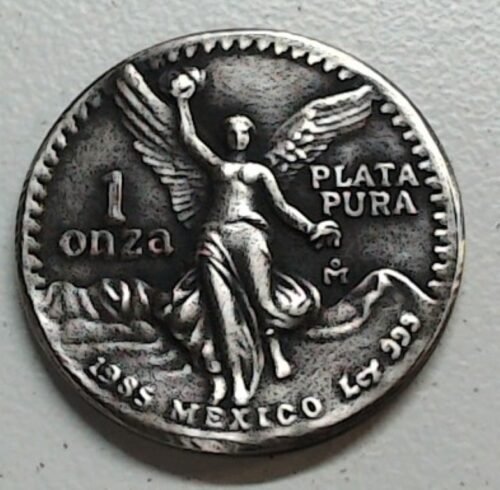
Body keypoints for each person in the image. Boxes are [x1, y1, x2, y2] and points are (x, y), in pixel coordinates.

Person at [166, 72, 341, 406]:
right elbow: (188, 139)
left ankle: (274, 351)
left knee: (263, 303)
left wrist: (311, 229)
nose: (237, 136)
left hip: (249, 237)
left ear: (250, 137)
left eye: (243, 131)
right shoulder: (217, 168)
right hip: (215, 238)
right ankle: (234, 381)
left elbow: (282, 208)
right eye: (231, 132)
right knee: (221, 312)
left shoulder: (261, 173)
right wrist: (181, 102)